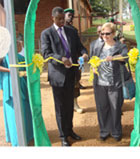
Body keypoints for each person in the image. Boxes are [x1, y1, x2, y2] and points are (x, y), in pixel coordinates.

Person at [41, 7, 87, 146]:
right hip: (58, 76)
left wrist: (84, 54)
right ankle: (63, 136)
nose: (62, 21)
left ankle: (70, 131)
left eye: (63, 18)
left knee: (69, 105)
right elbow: (46, 53)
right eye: (59, 19)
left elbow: (80, 47)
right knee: (60, 107)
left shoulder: (71, 31)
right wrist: (61, 58)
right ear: (52, 18)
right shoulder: (46, 33)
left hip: (72, 74)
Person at [0, 3, 33, 146]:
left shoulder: (17, 41)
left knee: (25, 106)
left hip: (23, 79)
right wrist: (13, 71)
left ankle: (28, 134)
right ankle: (16, 137)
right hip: (11, 80)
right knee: (14, 108)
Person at [91, 22, 129, 141]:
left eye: (108, 33)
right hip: (100, 83)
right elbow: (93, 59)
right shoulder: (98, 46)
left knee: (115, 108)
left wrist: (114, 57)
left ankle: (116, 131)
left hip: (114, 83)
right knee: (102, 108)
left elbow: (125, 58)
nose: (105, 36)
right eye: (103, 33)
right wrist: (93, 66)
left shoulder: (120, 46)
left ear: (113, 33)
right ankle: (104, 131)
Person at [64, 8, 88, 114]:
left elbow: (79, 46)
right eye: (69, 15)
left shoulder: (73, 30)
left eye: (72, 15)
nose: (71, 17)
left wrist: (84, 53)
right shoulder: (56, 31)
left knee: (75, 84)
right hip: (61, 64)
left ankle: (75, 104)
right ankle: (67, 106)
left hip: (73, 63)